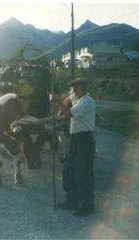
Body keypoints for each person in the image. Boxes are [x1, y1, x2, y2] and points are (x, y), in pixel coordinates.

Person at [50, 78, 96, 216]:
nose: (75, 90)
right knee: (68, 171)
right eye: (73, 88)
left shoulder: (87, 101)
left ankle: (87, 205)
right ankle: (72, 200)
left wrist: (58, 102)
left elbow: (69, 114)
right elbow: (68, 114)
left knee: (83, 174)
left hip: (84, 140)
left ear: (86, 89)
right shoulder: (78, 101)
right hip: (76, 140)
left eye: (78, 88)